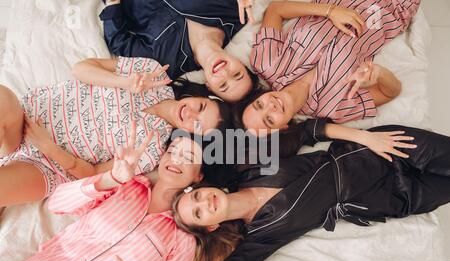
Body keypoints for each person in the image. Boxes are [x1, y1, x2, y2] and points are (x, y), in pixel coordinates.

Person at [103, 124, 450, 261]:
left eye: (196, 197)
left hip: (378, 150)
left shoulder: (253, 165)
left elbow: (309, 130)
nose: (202, 203)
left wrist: (366, 137)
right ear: (208, 227)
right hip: (392, 197)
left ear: (208, 187)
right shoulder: (260, 236)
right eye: (197, 213)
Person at [0, 135, 242, 261]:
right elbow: (57, 203)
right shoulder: (125, 185)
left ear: (198, 176)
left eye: (188, 157)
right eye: (173, 151)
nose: (176, 159)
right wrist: (110, 179)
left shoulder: (182, 243)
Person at [0, 56, 231, 207]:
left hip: (48, 165)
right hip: (29, 114)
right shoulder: (153, 72)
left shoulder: (153, 151)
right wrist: (124, 83)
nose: (190, 114)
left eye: (198, 124)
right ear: (200, 96)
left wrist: (48, 147)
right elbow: (80, 69)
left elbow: (93, 173)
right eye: (200, 107)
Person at [247, 0, 420, 126]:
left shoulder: (267, 64)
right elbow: (391, 92)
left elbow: (275, 9)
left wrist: (330, 11)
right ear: (283, 129)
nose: (270, 106)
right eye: (269, 120)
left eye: (259, 104)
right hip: (394, 7)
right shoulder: (334, 108)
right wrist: (379, 73)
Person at [100, 0, 259, 102]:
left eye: (223, 85)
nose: (225, 74)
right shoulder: (235, 13)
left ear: (209, 87)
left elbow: (119, 42)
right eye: (237, 74)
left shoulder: (166, 64)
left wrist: (113, 3)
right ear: (241, 63)